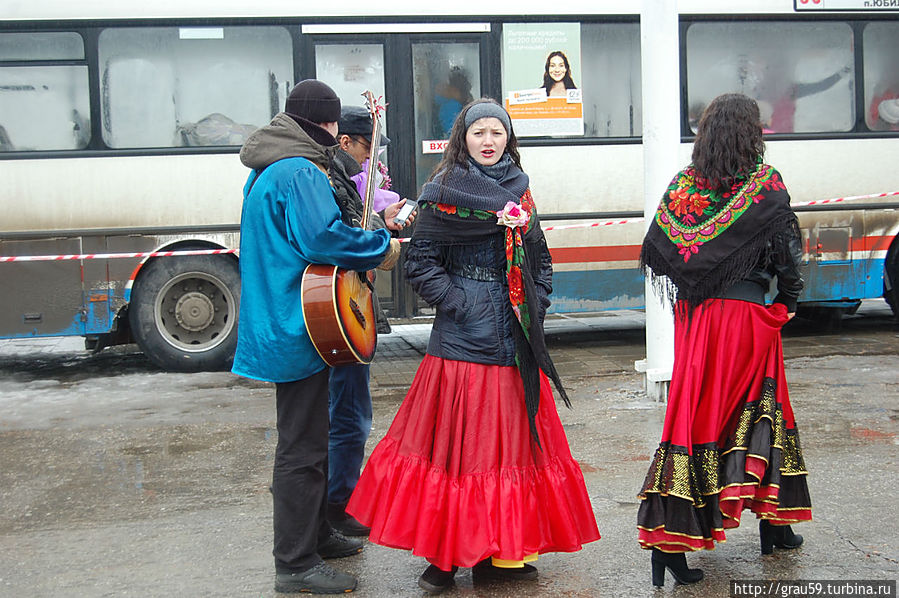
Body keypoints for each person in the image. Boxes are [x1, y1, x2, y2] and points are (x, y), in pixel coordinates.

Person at [346, 98, 600, 595]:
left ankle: (493, 553)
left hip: (515, 341)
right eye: (478, 132)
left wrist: (537, 302)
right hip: (462, 341)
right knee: (457, 453)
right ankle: (443, 559)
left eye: (497, 133)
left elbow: (541, 258)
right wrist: (460, 301)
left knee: (507, 452)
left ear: (509, 140)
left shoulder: (521, 193)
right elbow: (420, 264)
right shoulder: (441, 193)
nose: (488, 141)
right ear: (463, 138)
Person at [232, 79, 401, 595]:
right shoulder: (301, 169)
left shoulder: (268, 166)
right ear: (326, 125)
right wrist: (380, 246)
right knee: (302, 448)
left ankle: (319, 535)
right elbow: (323, 237)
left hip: (285, 318)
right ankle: (296, 563)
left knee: (312, 438)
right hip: (298, 325)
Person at [636, 93, 811, 587]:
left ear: (706, 133)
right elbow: (787, 255)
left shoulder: (684, 188)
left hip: (696, 320)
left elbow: (660, 248)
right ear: (752, 133)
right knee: (764, 412)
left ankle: (678, 539)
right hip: (747, 319)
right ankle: (769, 523)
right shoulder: (765, 186)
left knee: (695, 416)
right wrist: (790, 299)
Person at [326, 105, 415, 538]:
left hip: (341, 309)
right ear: (345, 142)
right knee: (348, 416)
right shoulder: (330, 178)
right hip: (339, 313)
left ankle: (337, 501)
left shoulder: (334, 175)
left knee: (346, 413)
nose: (369, 159)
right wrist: (386, 230)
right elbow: (346, 239)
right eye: (367, 148)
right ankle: (337, 504)